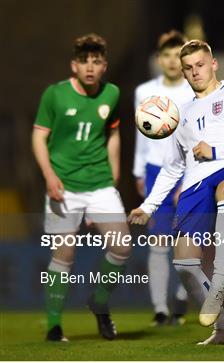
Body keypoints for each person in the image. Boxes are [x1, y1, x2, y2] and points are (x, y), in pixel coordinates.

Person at [129, 40, 224, 344]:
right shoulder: (179, 115)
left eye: (200, 65)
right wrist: (148, 206)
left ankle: (220, 277)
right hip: (195, 182)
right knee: (184, 264)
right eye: (189, 68)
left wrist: (216, 150)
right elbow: (171, 168)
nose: (196, 72)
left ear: (213, 63)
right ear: (183, 72)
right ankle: (223, 331)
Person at [33, 33, 131, 341]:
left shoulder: (112, 93)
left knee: (122, 246)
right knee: (64, 255)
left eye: (97, 61)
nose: (90, 67)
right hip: (64, 185)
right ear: (73, 65)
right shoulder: (55, 94)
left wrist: (114, 172)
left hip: (99, 184)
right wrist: (49, 175)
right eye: (84, 61)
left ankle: (99, 301)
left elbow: (113, 132)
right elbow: (38, 136)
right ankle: (54, 325)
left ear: (105, 66)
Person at [133, 30, 195, 327]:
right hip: (155, 169)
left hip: (186, 172)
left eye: (177, 55)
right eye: (167, 55)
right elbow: (140, 136)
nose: (172, 61)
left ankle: (182, 297)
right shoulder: (144, 91)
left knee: (187, 240)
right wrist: (138, 172)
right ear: (159, 59)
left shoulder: (193, 91)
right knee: (158, 242)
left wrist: (188, 179)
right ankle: (159, 307)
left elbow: (197, 137)